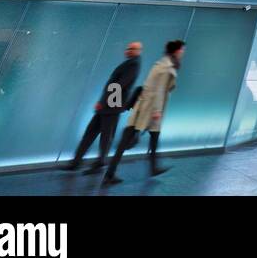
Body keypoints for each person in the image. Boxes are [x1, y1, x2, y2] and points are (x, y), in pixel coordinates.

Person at [103, 39, 185, 185]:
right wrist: (157, 110)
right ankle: (110, 173)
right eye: (182, 50)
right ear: (177, 51)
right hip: (149, 110)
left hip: (145, 107)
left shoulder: (162, 64)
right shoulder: (165, 67)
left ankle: (152, 167)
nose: (183, 53)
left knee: (152, 137)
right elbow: (158, 90)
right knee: (128, 139)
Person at [64, 41, 142, 174]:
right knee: (92, 133)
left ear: (138, 51)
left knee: (104, 136)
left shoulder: (133, 65)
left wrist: (104, 102)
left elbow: (120, 85)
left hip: (111, 106)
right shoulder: (130, 64)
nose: (128, 50)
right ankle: (77, 162)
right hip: (109, 105)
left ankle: (98, 163)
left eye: (132, 49)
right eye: (128, 48)